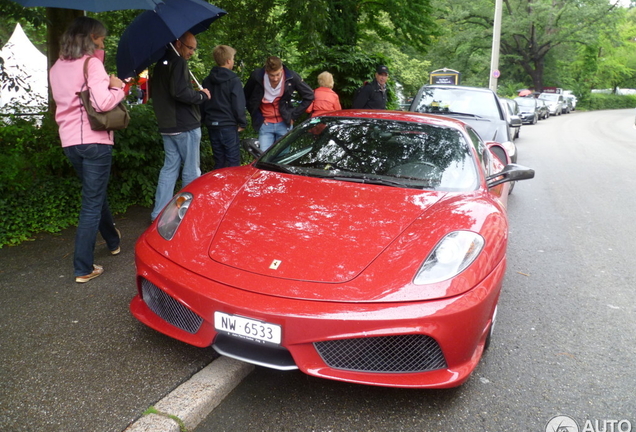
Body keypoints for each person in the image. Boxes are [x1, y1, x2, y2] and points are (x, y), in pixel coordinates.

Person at [49, 16, 125, 283]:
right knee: (91, 203)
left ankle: (113, 240)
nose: (103, 42)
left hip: (70, 142)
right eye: (101, 38)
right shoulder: (91, 64)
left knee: (95, 194)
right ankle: (83, 267)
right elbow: (103, 103)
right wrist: (119, 89)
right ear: (91, 38)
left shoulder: (56, 67)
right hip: (94, 141)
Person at [150, 32, 210, 222]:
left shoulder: (159, 64)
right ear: (178, 43)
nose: (192, 52)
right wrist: (201, 96)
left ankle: (158, 214)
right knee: (192, 171)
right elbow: (180, 93)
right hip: (185, 125)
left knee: (169, 169)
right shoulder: (178, 62)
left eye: (194, 48)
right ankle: (188, 216)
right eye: (190, 47)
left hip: (167, 125)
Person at [244, 56, 314, 151]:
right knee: (262, 158)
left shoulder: (292, 77)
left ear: (281, 69)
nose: (275, 78)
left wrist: (293, 116)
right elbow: (245, 97)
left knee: (282, 160)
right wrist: (257, 116)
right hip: (265, 124)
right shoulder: (256, 76)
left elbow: (309, 95)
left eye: (278, 74)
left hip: (284, 123)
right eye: (272, 75)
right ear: (266, 71)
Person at [201, 45, 247, 169]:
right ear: (228, 61)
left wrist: (203, 120)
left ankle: (219, 186)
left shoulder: (207, 80)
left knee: (219, 160)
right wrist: (242, 122)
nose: (233, 61)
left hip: (212, 124)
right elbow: (238, 103)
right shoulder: (234, 80)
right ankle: (233, 187)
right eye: (233, 58)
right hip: (228, 125)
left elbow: (203, 102)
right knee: (233, 161)